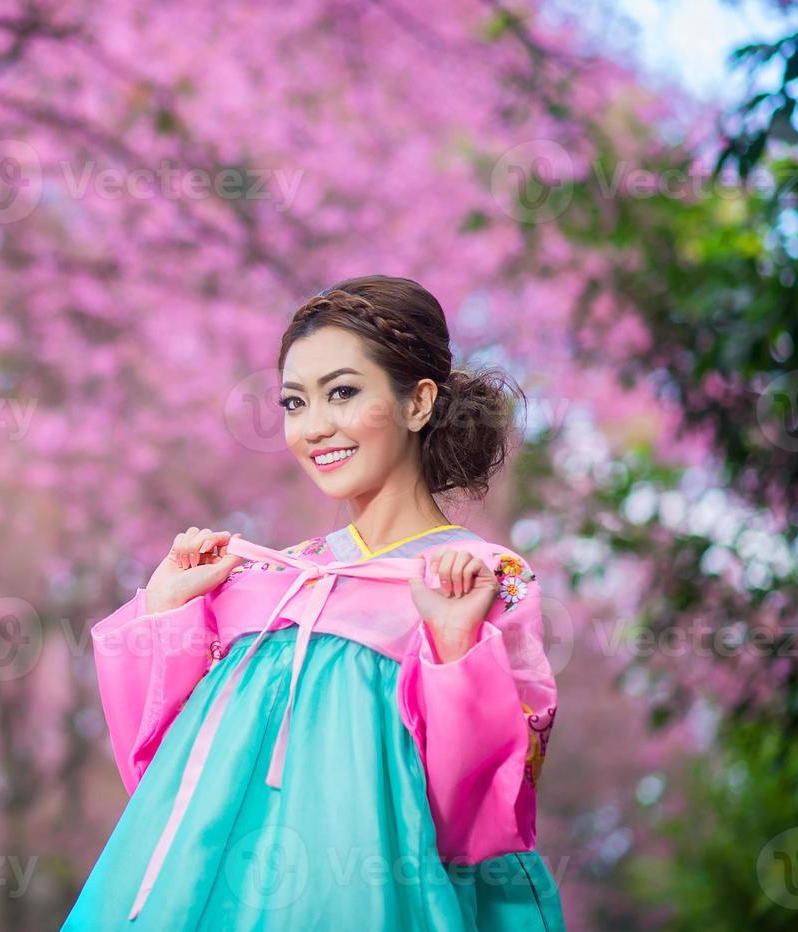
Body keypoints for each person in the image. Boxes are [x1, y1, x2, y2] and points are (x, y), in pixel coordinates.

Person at [64, 275, 565, 929]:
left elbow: (473, 826)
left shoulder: (484, 579)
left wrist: (451, 651)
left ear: (417, 403)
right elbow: (164, 791)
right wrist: (166, 611)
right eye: (295, 403)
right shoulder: (261, 589)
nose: (315, 427)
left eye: (343, 393)